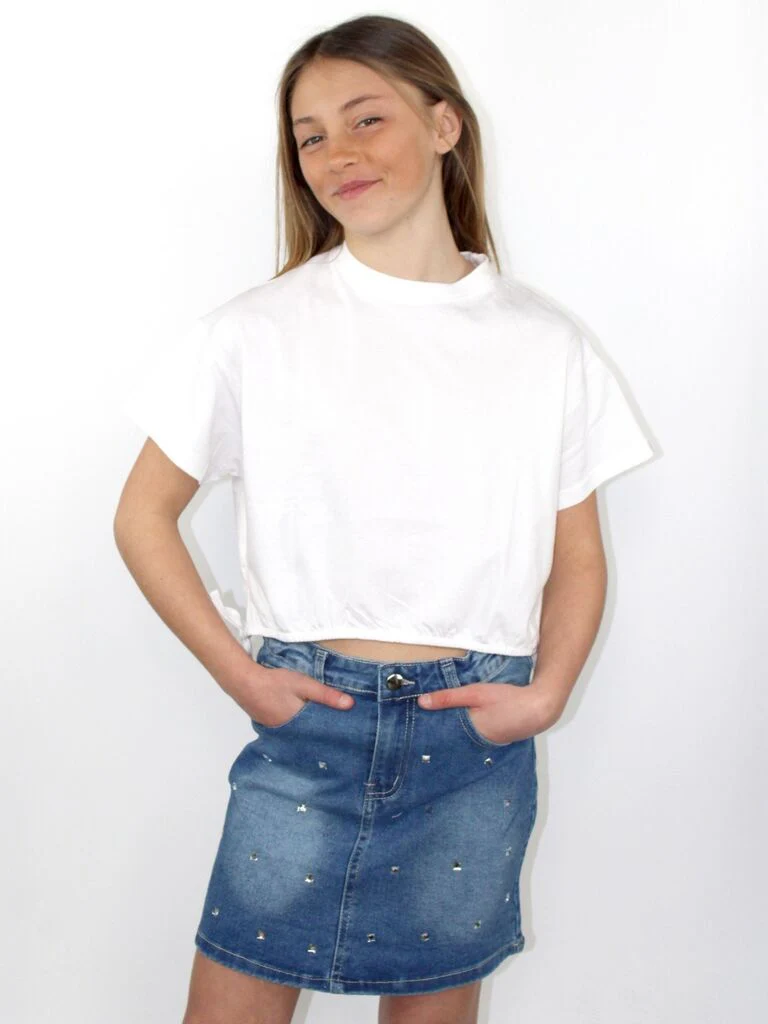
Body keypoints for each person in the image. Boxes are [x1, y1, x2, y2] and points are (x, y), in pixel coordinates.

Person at [114, 14, 655, 1024]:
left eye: (367, 118)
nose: (337, 153)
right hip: (307, 722)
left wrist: (545, 695)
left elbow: (577, 554)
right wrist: (241, 675)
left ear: (445, 125)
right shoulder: (255, 331)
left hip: (473, 736)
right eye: (310, 136)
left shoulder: (545, 344)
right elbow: (143, 515)